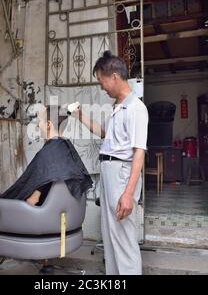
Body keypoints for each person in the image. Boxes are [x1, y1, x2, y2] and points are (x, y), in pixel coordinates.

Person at [0, 105, 93, 275]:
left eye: (39, 122)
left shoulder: (48, 154)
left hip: (39, 217)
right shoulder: (65, 150)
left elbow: (32, 200)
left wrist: (10, 203)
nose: (38, 126)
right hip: (57, 218)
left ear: (48, 124)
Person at [72, 51, 148, 275]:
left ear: (113, 76)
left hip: (121, 174)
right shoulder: (119, 106)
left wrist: (128, 193)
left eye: (101, 81)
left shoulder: (136, 108)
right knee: (110, 235)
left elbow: (139, 152)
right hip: (109, 172)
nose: (101, 87)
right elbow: (106, 135)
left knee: (123, 237)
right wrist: (80, 116)